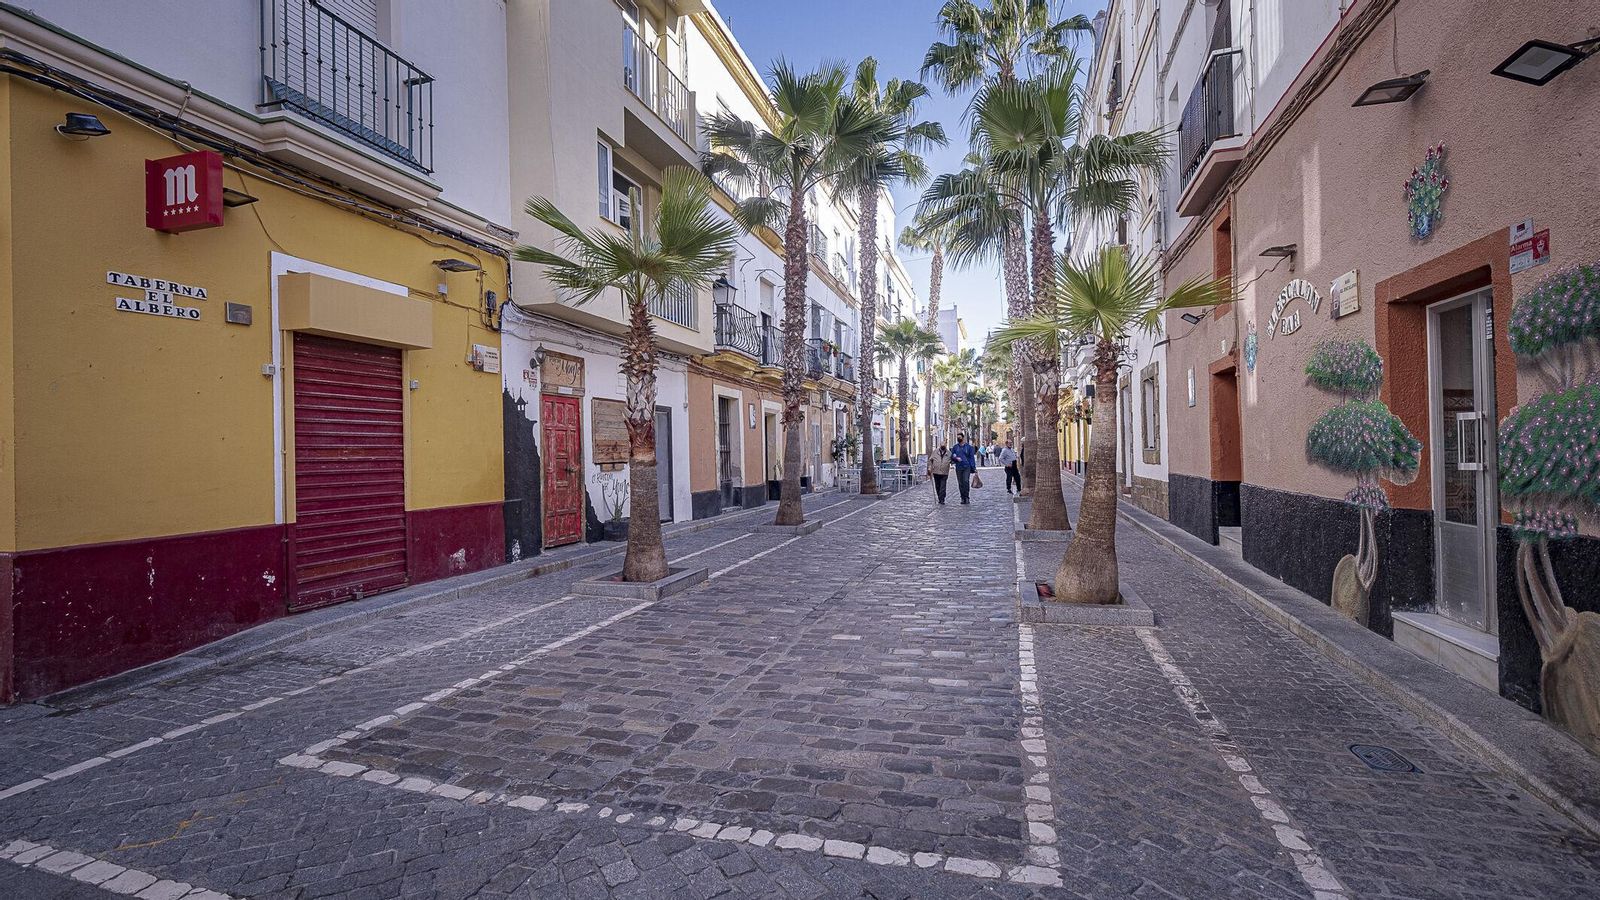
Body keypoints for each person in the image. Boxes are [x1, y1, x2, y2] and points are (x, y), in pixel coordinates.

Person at [950, 432, 977, 504]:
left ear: (963, 438)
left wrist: (973, 467)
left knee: (966, 481)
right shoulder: (955, 447)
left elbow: (971, 458)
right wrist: (955, 458)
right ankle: (962, 497)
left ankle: (967, 497)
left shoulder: (968, 447)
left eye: (960, 437)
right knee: (960, 483)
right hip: (958, 467)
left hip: (966, 466)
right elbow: (952, 457)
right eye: (957, 437)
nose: (959, 438)